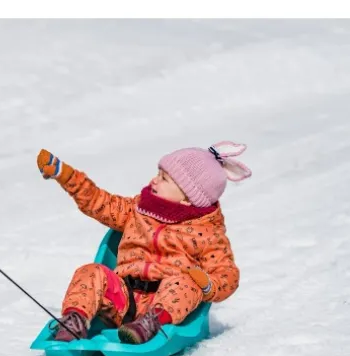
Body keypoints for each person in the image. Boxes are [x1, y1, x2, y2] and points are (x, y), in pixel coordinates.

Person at [36, 141, 251, 344]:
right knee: (91, 272)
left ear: (188, 197)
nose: (154, 180)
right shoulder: (137, 210)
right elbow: (98, 202)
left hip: (165, 305)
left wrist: (208, 285)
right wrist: (65, 175)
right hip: (123, 298)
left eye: (164, 178)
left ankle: (148, 325)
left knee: (185, 283)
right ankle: (74, 321)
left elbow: (227, 274)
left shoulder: (207, 234)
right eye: (158, 173)